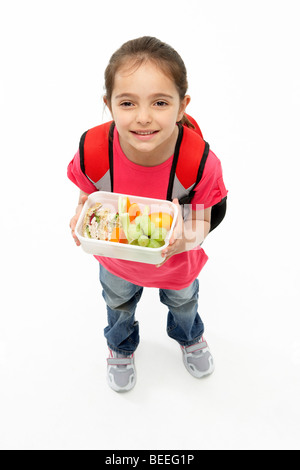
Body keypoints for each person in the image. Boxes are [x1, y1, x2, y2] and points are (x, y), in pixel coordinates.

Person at [68, 36, 228, 392]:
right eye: (127, 103)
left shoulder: (199, 162)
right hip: (116, 262)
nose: (143, 118)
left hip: (177, 262)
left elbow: (204, 220)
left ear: (182, 106)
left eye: (159, 102)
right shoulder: (93, 149)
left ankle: (189, 336)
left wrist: (184, 236)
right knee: (118, 305)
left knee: (184, 303)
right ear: (108, 104)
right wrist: (81, 214)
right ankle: (121, 346)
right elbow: (89, 193)